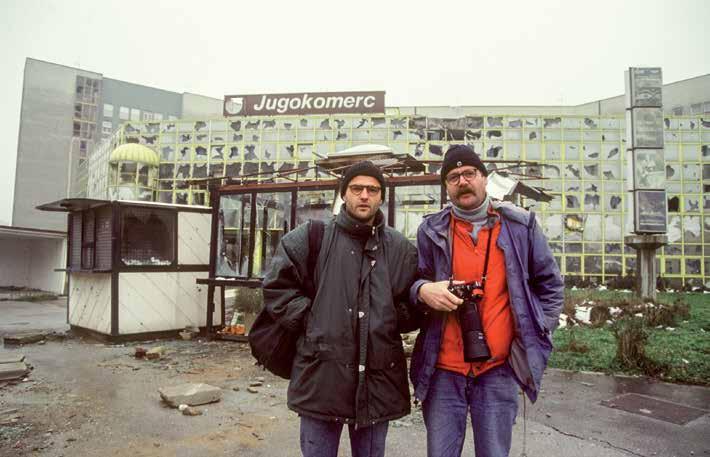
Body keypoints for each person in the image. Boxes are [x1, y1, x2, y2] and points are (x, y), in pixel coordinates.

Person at [409, 145, 564, 457]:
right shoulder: (431, 230)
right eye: (453, 177)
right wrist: (423, 290)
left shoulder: (520, 227)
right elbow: (413, 282)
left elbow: (551, 286)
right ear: (446, 186)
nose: (463, 181)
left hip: (498, 370)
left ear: (484, 178)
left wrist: (537, 331)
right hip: (443, 370)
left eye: (470, 173)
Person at [261, 160, 419, 457]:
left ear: (381, 197)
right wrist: (312, 320)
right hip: (321, 378)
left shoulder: (399, 248)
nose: (364, 195)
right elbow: (277, 287)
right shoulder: (311, 236)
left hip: (377, 382)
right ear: (343, 193)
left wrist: (387, 318)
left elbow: (413, 299)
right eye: (356, 188)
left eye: (372, 190)